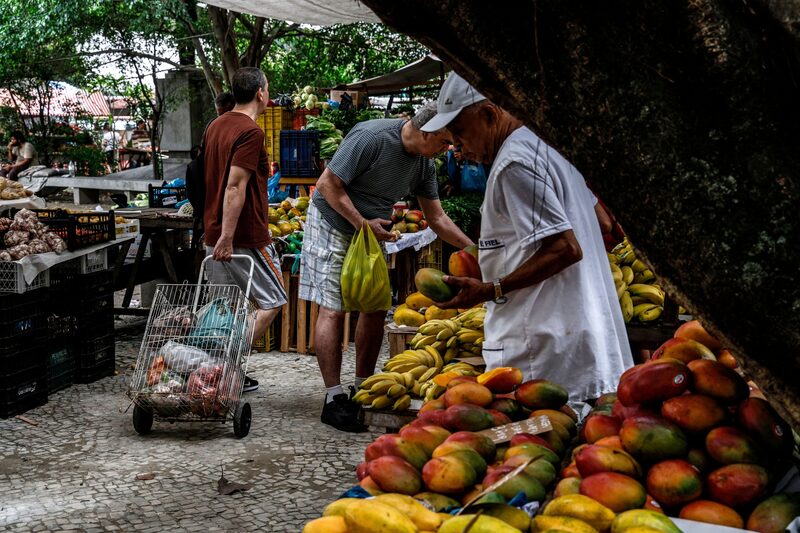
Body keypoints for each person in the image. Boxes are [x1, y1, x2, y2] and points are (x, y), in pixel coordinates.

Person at [421, 73, 633, 407]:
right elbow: (603, 221)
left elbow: (565, 248)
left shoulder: (514, 164)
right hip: (576, 334)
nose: (458, 147)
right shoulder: (547, 143)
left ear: (490, 114)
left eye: (460, 133)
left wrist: (491, 289)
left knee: (535, 447)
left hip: (543, 347)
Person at [299, 102, 474, 432]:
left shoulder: (423, 163)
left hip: (370, 229)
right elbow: (327, 185)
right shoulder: (371, 137)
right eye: (444, 142)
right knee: (333, 309)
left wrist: (474, 249)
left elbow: (436, 217)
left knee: (377, 306)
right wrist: (362, 222)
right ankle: (333, 398)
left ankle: (363, 385)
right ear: (425, 132)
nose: (447, 149)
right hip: (333, 223)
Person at [203, 67, 287, 393]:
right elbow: (235, 186)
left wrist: (216, 232)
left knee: (222, 308)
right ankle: (226, 367)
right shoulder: (250, 132)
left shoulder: (215, 125)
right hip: (242, 236)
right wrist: (227, 236)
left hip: (215, 232)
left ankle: (210, 373)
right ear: (260, 94)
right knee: (273, 301)